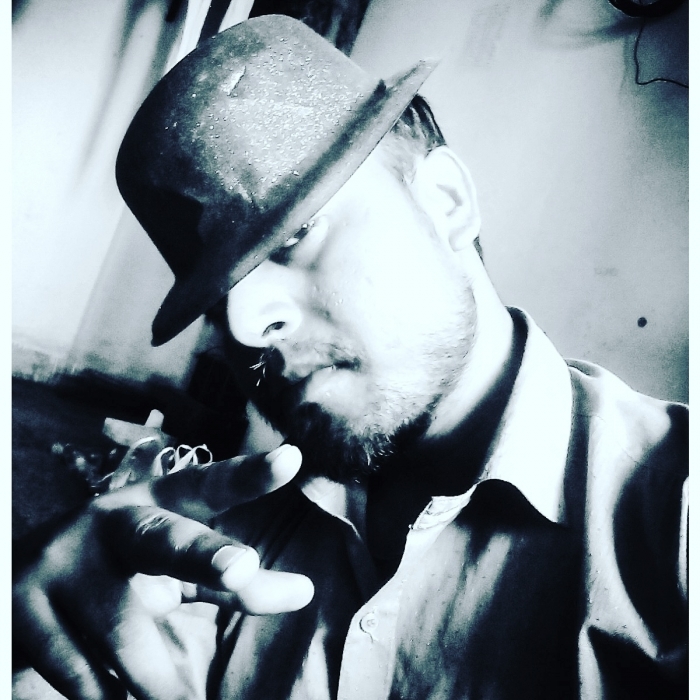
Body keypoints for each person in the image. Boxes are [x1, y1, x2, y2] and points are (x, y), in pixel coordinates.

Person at [13, 14, 688, 700]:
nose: (245, 328)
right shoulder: (224, 549)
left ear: (446, 203)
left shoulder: (676, 522)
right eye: (217, 303)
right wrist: (35, 632)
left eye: (296, 235)